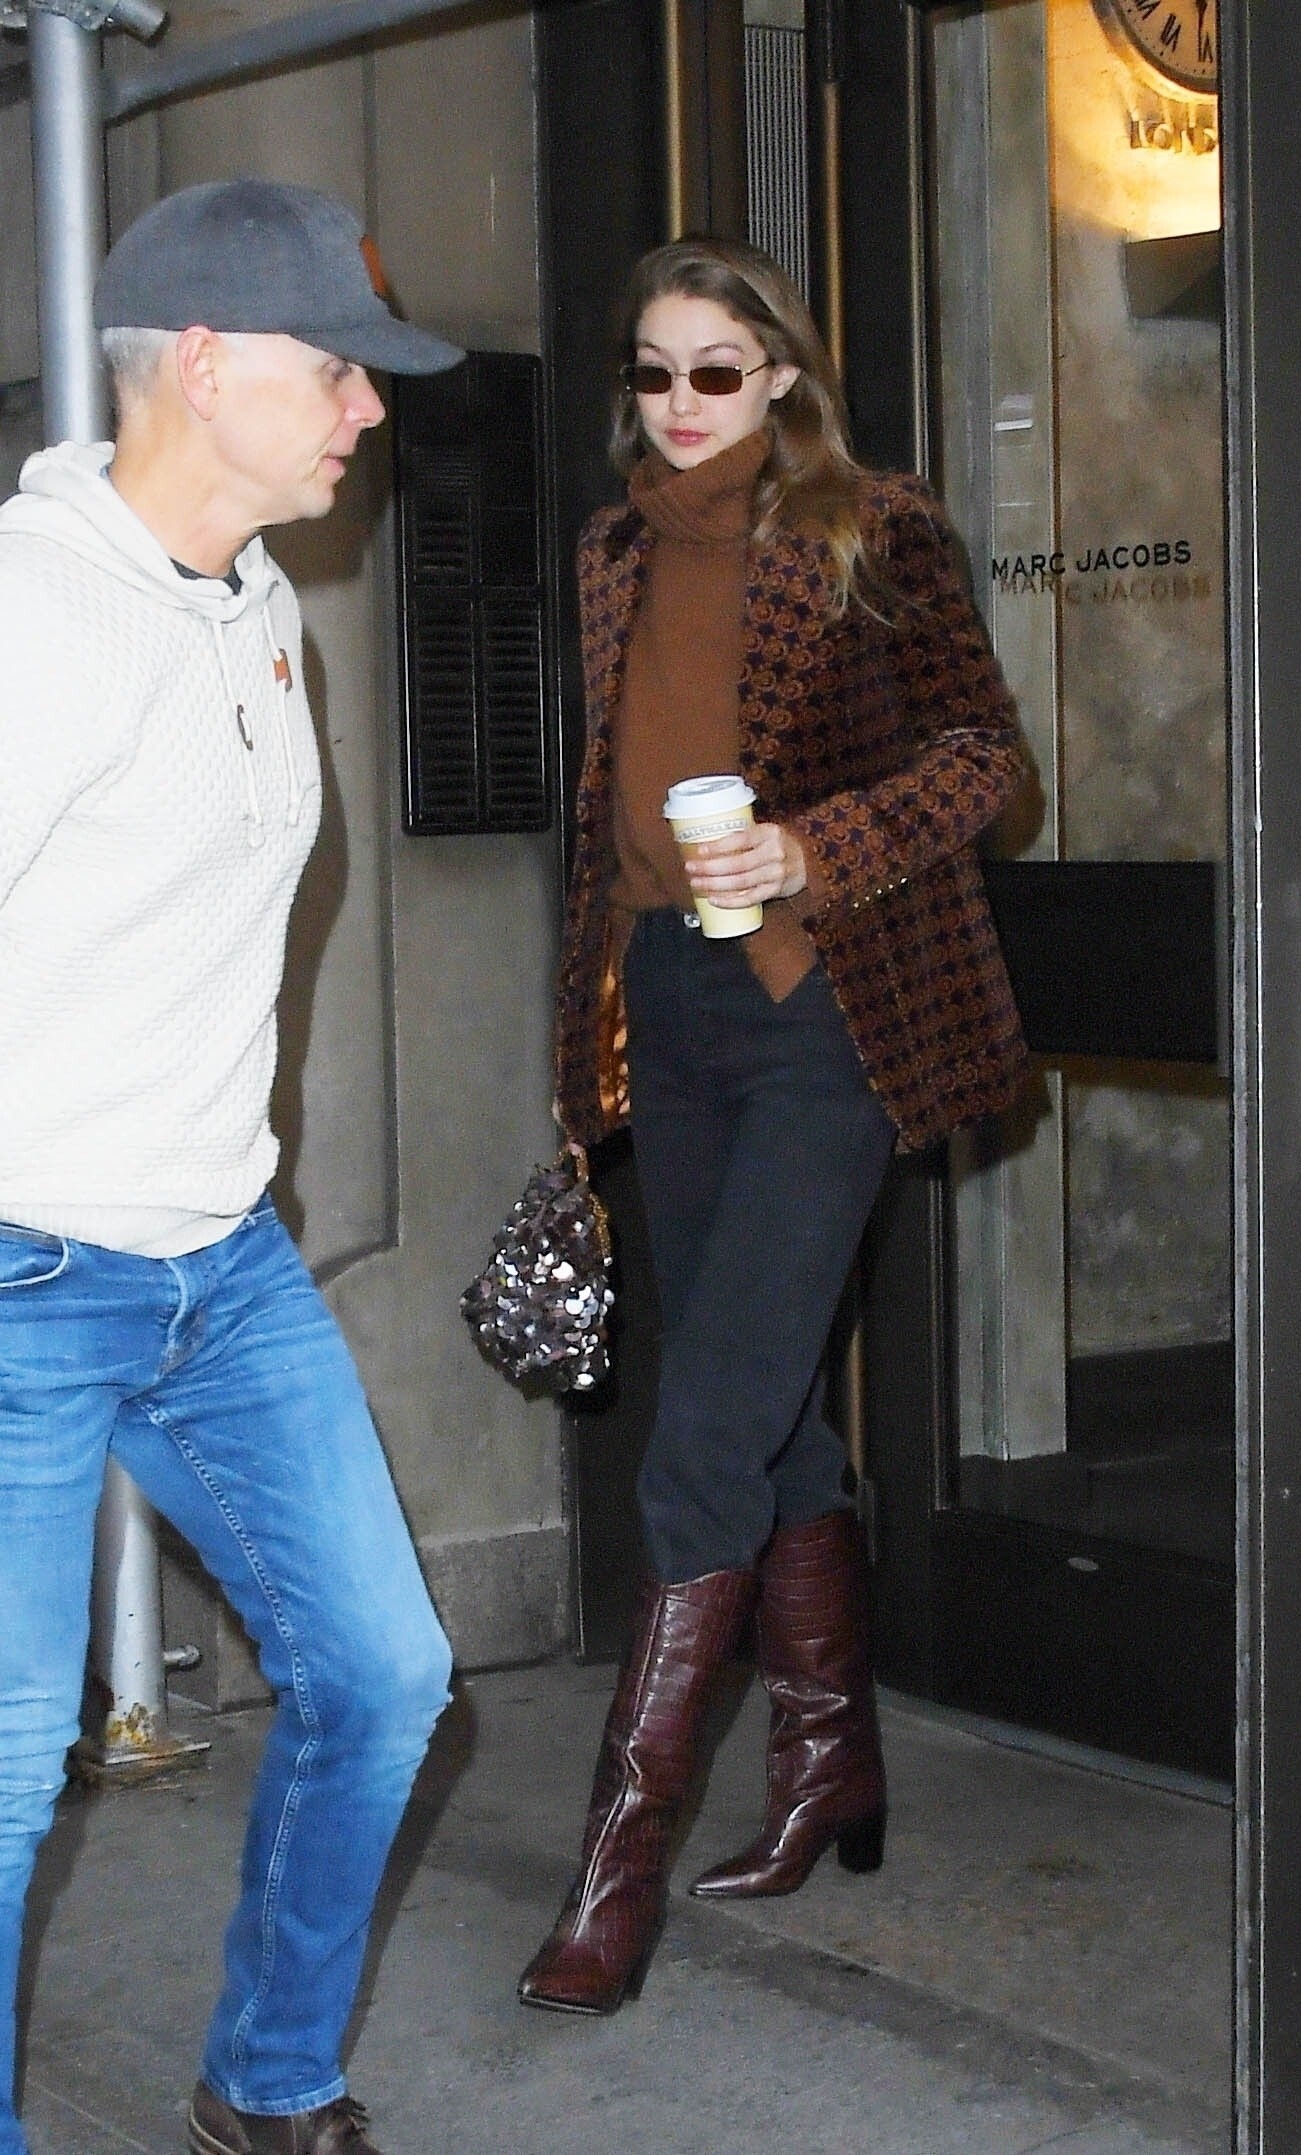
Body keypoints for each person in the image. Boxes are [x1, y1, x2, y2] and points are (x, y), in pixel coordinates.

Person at [0, 180, 464, 2155]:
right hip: (26, 1267)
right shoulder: (33, 614)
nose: (367, 408)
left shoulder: (260, 606)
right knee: (7, 1768)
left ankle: (267, 2087)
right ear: (199, 364)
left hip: (223, 1261)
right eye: (335, 368)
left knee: (385, 1674)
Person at [519, 237, 1029, 2018]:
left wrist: (815, 846)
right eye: (652, 372)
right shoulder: (611, 551)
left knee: (703, 1434)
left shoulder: (872, 532)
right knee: (771, 1408)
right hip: (668, 1001)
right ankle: (829, 1765)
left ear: (784, 377)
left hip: (826, 1012)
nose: (680, 405)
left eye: (716, 372)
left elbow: (984, 759)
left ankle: (614, 1874)